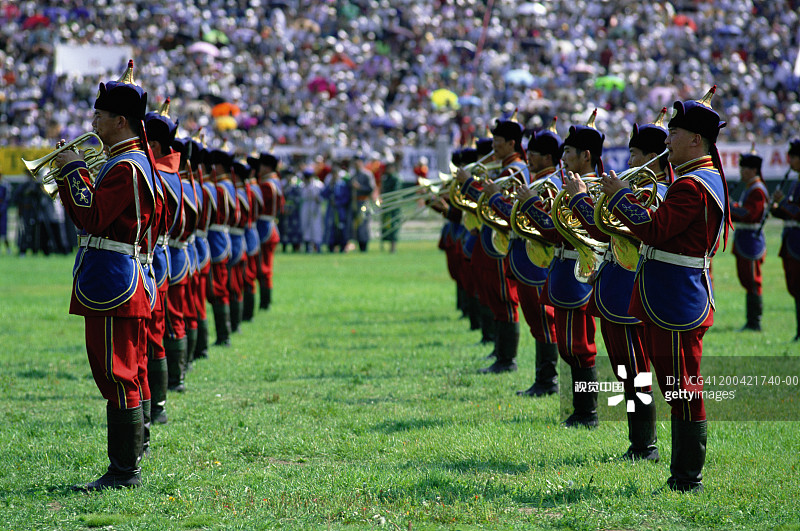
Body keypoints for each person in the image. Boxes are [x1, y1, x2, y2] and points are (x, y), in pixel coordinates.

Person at [600, 86, 730, 492]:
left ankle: (688, 478)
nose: (667, 141)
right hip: (670, 295)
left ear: (697, 140)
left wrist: (620, 196)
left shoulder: (693, 185)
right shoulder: (694, 179)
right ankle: (682, 474)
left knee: (683, 388)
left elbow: (656, 230)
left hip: (677, 298)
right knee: (675, 387)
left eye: (674, 134)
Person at [52, 60, 160, 490]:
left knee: (115, 372)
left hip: (114, 280)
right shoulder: (129, 161)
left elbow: (91, 217)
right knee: (125, 371)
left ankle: (123, 471)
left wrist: (72, 168)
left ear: (120, 121)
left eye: (99, 115)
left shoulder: (126, 166)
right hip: (121, 276)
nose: (92, 121)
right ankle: (127, 464)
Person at [562, 108, 671, 460]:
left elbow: (612, 231)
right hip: (614, 289)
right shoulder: (636, 189)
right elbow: (604, 236)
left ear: (652, 159)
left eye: (635, 155)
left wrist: (582, 199)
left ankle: (645, 446)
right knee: (627, 371)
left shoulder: (656, 192)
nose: (629, 160)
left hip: (630, 291)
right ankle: (640, 443)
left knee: (635, 370)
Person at [518, 110, 603, 427]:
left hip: (579, 274)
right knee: (570, 345)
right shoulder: (569, 186)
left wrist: (529, 205)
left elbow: (557, 231)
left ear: (586, 156)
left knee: (579, 346)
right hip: (564, 273)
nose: (563, 157)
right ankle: (581, 409)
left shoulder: (589, 189)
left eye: (568, 152)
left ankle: (587, 412)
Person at [456, 117, 530, 374]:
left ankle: (507, 359)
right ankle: (501, 352)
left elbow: (497, 206)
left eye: (498, 142)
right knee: (496, 299)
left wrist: (467, 184)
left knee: (504, 299)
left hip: (500, 242)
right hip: (490, 241)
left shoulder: (515, 170)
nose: (494, 147)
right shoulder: (505, 168)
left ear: (511, 143)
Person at [513, 120, 561, 398]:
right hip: (527, 258)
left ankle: (548, 380)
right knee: (535, 319)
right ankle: (543, 378)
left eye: (533, 152)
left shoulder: (550, 183)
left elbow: (546, 224)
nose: (527, 156)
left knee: (543, 320)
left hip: (539, 260)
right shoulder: (536, 180)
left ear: (546, 157)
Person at [145, 99, 188, 396]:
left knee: (155, 331)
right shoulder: (172, 173)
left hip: (156, 257)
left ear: (156, 146)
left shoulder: (161, 174)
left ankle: (158, 401)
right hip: (163, 254)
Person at [730, 146, 768, 331]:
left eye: (744, 168)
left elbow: (750, 214)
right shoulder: (750, 188)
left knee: (753, 281)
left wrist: (730, 207)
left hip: (751, 241)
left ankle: (755, 322)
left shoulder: (757, 190)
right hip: (744, 239)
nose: (741, 172)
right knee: (747, 279)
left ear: (753, 170)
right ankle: (751, 321)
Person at [771, 138, 800, 340]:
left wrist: (782, 203)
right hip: (791, 241)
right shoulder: (795, 181)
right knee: (795, 288)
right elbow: (789, 213)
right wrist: (776, 208)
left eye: (794, 157)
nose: (790, 161)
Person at [256, 153, 283, 310]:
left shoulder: (266, 184)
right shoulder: (276, 181)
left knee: (263, 268)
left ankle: (265, 303)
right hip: (271, 225)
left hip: (264, 226)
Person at [322, 158, 353, 253]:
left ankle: (342, 246)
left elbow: (346, 197)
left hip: (340, 210)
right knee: (330, 227)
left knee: (341, 227)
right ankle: (331, 246)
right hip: (331, 210)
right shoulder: (330, 184)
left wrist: (338, 203)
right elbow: (323, 194)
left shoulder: (342, 184)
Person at [350, 155, 377, 252]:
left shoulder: (367, 174)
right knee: (356, 225)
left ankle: (364, 246)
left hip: (364, 202)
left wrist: (359, 187)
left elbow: (371, 188)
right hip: (354, 202)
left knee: (364, 224)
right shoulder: (353, 175)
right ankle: (357, 245)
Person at [300, 166, 325, 253]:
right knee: (306, 225)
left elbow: (323, 196)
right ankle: (307, 246)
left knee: (316, 226)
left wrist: (318, 199)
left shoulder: (318, 184)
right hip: (306, 205)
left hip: (315, 206)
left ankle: (318, 246)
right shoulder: (302, 185)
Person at [380, 157, 401, 253]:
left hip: (394, 206)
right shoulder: (385, 178)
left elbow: (396, 193)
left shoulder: (396, 178)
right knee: (386, 226)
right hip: (386, 206)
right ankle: (385, 246)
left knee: (393, 226)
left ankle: (393, 247)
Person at [0, 172, 9, 254]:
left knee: (4, 232)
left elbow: (6, 200)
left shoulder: (4, 187)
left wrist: (2, 210)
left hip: (2, 213)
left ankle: (8, 248)